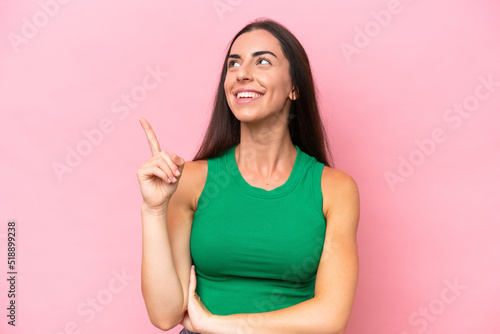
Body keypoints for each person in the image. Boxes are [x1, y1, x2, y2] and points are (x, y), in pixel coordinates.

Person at [137, 18, 360, 334]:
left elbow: (331, 318)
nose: (242, 74)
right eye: (233, 64)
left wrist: (217, 325)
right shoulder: (191, 180)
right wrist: (154, 210)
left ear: (294, 87)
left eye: (263, 62)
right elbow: (164, 314)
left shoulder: (334, 189)